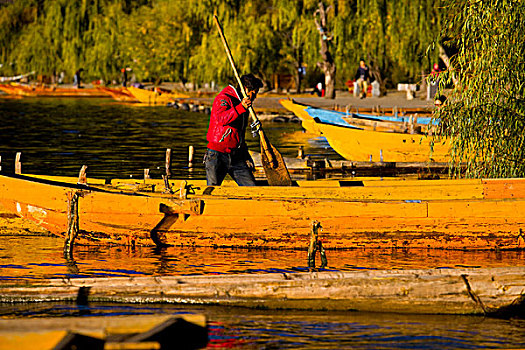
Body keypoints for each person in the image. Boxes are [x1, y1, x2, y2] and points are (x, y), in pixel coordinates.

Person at [204, 74, 263, 186]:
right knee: (212, 190)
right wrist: (240, 107)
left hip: (236, 155)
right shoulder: (224, 98)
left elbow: (240, 133)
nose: (254, 97)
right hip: (217, 154)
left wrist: (246, 155)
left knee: (251, 188)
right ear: (246, 89)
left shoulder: (244, 105)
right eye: (254, 93)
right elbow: (221, 119)